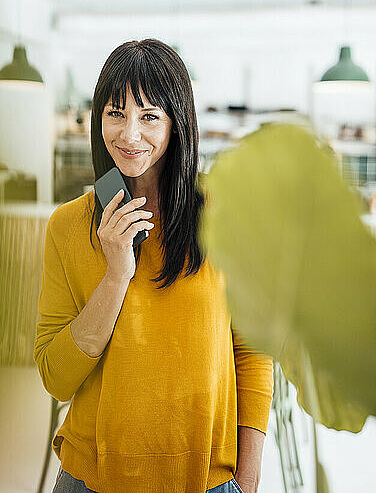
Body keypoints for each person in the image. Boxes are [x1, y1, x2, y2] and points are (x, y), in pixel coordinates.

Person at [33, 39, 274, 493]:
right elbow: (56, 377)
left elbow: (254, 354)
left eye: (149, 117)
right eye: (115, 113)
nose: (129, 135)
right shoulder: (67, 227)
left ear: (177, 123)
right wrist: (116, 274)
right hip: (93, 480)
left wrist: (246, 480)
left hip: (208, 479)